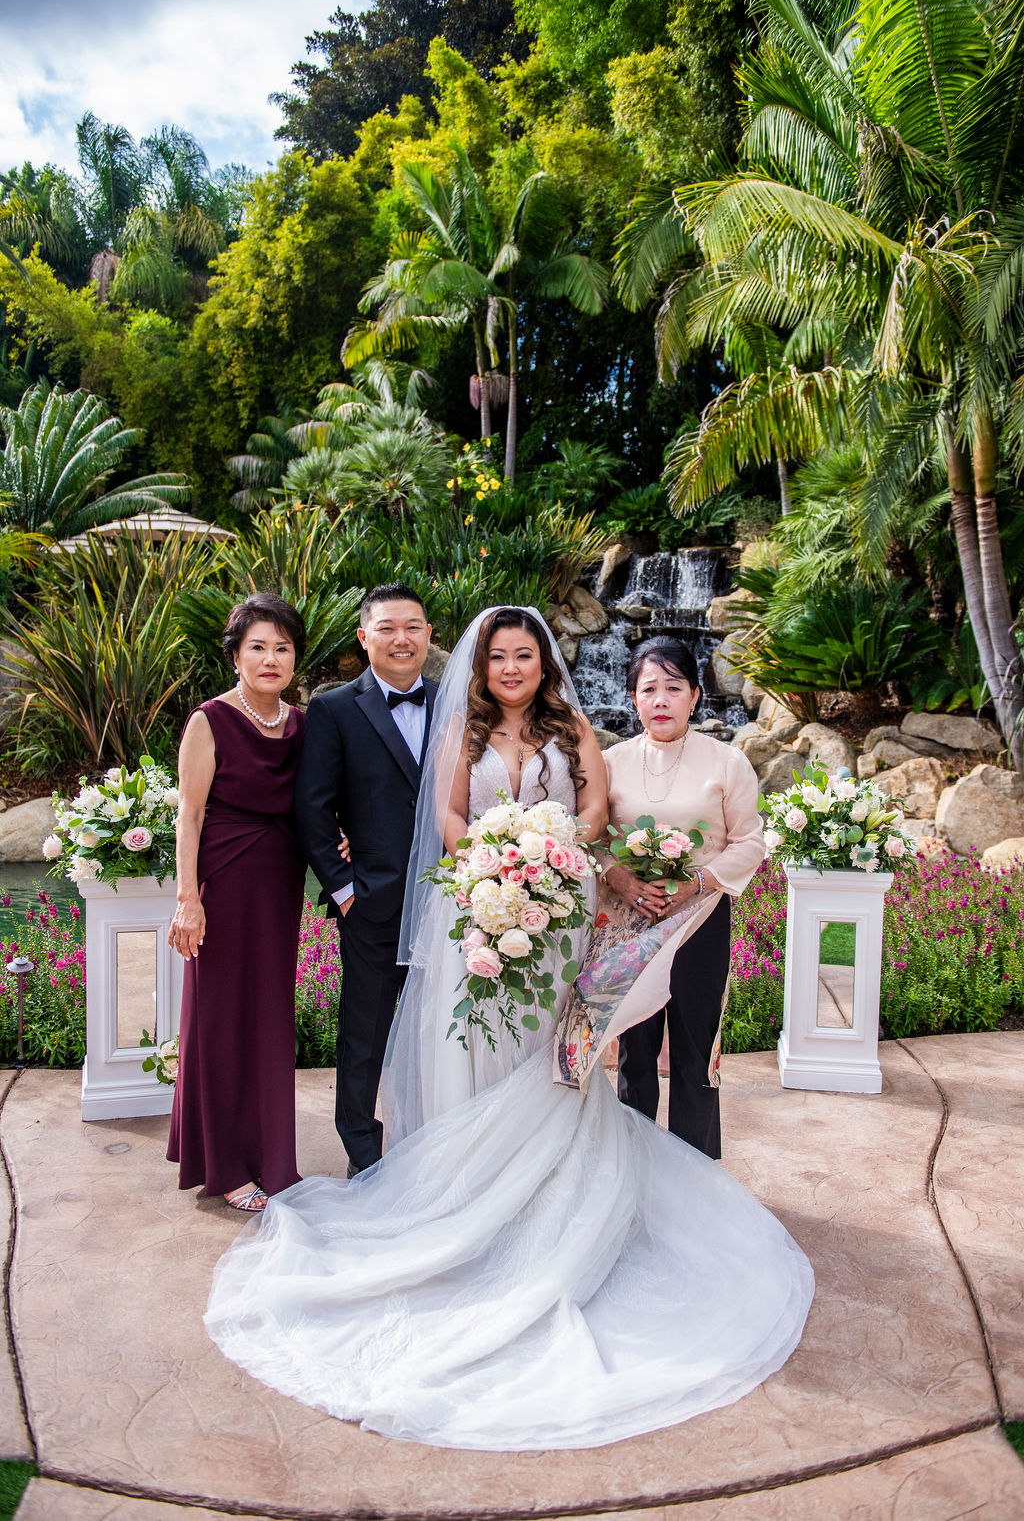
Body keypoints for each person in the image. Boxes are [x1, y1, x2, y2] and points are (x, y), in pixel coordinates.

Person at [204, 606, 813, 1451]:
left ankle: (560, 1199)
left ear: (543, 663)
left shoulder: (575, 729)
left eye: (526, 655)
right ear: (483, 666)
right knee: (480, 1049)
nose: (513, 668)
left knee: (556, 1057)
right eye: (499, 657)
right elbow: (449, 817)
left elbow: (595, 812)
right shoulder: (461, 729)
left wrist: (553, 848)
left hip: (557, 916)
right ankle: (472, 1199)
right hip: (483, 908)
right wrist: (495, 858)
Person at [167, 593, 307, 1212]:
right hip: (223, 886)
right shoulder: (210, 720)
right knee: (221, 1020)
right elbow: (189, 816)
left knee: (268, 1016)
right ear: (235, 657)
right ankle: (225, 1165)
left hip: (279, 887)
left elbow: (315, 804)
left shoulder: (302, 725)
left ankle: (271, 1157)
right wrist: (187, 900)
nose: (271, 659)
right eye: (258, 647)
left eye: (282, 647)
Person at [599, 638, 765, 1158]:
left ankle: (697, 1169)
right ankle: (633, 1165)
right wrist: (620, 879)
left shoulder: (727, 762)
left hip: (701, 919)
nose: (661, 701)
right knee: (635, 1049)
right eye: (649, 689)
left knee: (696, 1048)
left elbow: (750, 841)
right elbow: (591, 838)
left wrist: (696, 882)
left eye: (674, 688)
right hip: (631, 923)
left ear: (694, 696)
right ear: (633, 697)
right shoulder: (610, 763)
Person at [293, 584, 438, 1176]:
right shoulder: (333, 708)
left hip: (450, 905)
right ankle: (363, 1153)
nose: (401, 639)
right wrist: (345, 888)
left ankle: (432, 1144)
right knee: (364, 1034)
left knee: (440, 1032)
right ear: (364, 637)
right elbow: (312, 807)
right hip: (372, 903)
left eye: (412, 627)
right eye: (387, 628)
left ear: (429, 635)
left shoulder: (458, 703)